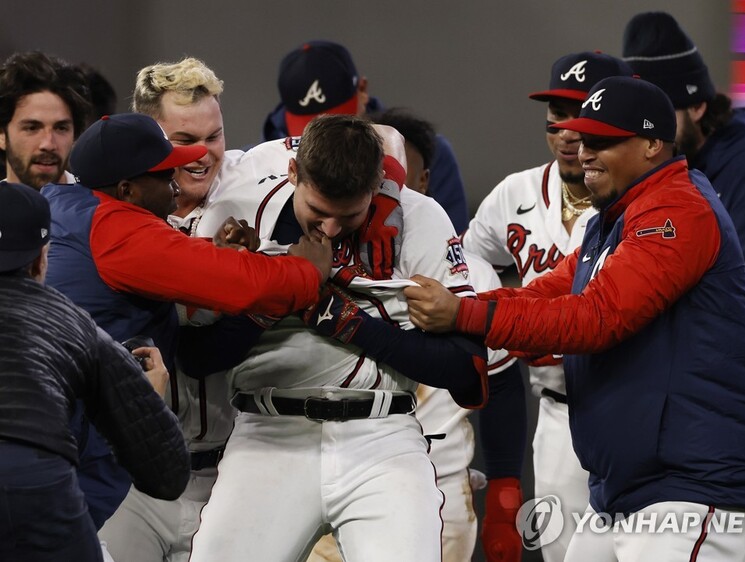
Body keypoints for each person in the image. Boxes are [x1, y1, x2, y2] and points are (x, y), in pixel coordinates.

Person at [405, 76, 745, 562]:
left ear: (652, 144)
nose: (584, 152)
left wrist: (465, 314)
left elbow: (596, 318)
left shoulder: (677, 210)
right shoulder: (615, 217)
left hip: (693, 487)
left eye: (603, 141)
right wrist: (459, 318)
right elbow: (545, 293)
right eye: (583, 139)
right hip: (628, 488)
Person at [187, 114, 488, 562]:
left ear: (377, 186)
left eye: (348, 215)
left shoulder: (418, 217)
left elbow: (466, 369)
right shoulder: (239, 210)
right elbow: (196, 357)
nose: (329, 229)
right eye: (318, 211)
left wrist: (347, 321)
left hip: (382, 435)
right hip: (268, 434)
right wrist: (281, 292)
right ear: (293, 173)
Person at [39, 111, 330, 562]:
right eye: (163, 174)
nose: (176, 183)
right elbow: (246, 285)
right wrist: (306, 272)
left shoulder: (74, 208)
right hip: (81, 443)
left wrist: (217, 253)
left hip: (60, 428)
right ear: (127, 189)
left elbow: (156, 271)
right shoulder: (113, 228)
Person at [299, 107, 526, 562]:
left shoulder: (471, 272)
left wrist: (506, 490)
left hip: (438, 474)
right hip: (316, 458)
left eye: (395, 178)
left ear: (420, 181)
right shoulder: (309, 251)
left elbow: (497, 383)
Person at [622, 13, 745, 560]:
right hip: (705, 449)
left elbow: (718, 307)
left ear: (698, 106)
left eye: (660, 118)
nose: (647, 135)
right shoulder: (673, 178)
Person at [460, 50, 633, 562]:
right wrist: (506, 326)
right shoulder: (515, 193)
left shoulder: (642, 203)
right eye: (558, 116)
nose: (568, 132)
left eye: (583, 114)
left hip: (631, 405)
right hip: (557, 416)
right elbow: (467, 260)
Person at [0, 181, 189, 562]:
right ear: (41, 260)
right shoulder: (72, 324)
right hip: (35, 487)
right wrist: (147, 399)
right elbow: (167, 473)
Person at [262, 39, 470, 233]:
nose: (327, 135)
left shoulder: (418, 153)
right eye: (309, 125)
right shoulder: (259, 163)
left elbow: (452, 245)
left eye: (339, 117)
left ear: (362, 90)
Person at [0, 50, 91, 189]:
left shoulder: (96, 201)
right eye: (32, 128)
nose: (48, 144)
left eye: (61, 128)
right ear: (1, 135)